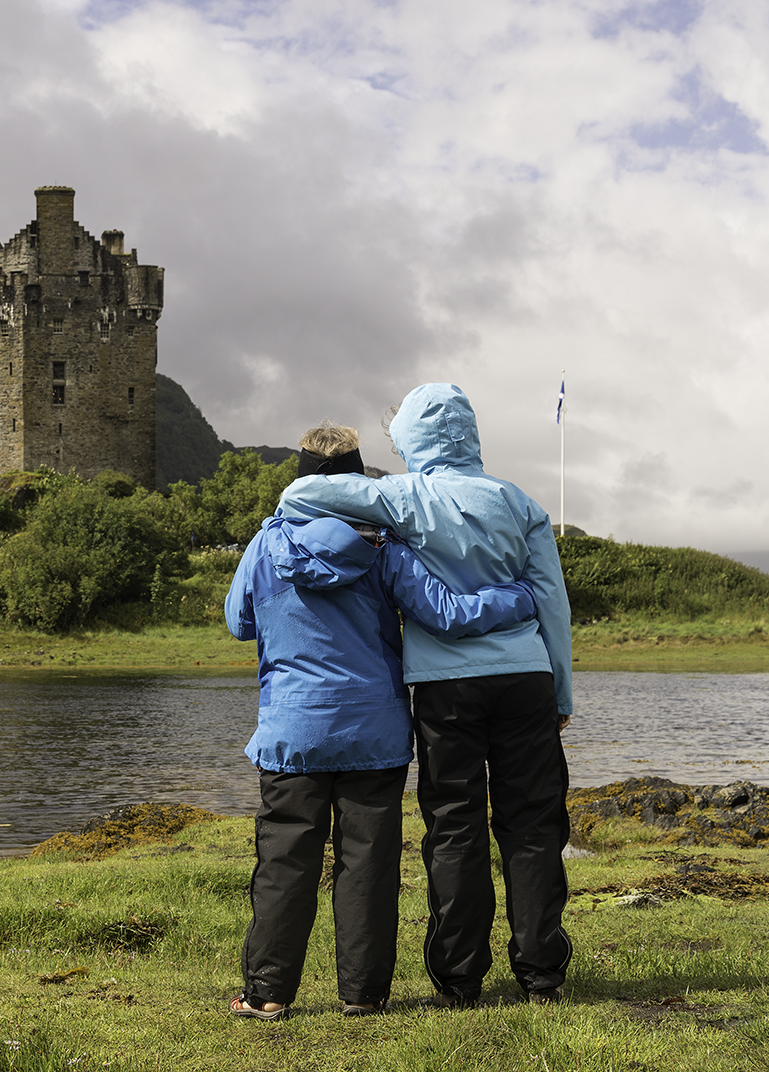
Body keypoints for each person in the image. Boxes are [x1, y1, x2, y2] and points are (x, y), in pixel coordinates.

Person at [226, 422, 539, 1021]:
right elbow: (445, 614)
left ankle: (266, 994)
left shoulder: (266, 544)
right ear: (354, 480)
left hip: (293, 734)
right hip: (376, 734)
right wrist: (522, 598)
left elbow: (239, 620)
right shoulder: (382, 546)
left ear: (299, 479)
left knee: (284, 862)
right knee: (367, 866)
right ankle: (364, 996)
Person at [277, 384, 575, 1008]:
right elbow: (551, 601)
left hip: (445, 691)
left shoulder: (403, 497)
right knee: (533, 826)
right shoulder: (520, 503)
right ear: (470, 433)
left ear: (411, 440)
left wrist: (373, 505)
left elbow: (299, 493)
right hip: (525, 678)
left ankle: (460, 979)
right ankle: (542, 975)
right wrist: (561, 693)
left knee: (454, 826)